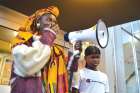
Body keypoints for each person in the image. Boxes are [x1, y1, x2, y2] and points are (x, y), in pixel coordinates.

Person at [10, 6, 68, 93]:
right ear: (38, 22)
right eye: (48, 20)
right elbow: (27, 65)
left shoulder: (58, 52)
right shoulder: (22, 40)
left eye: (54, 22)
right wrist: (49, 36)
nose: (52, 24)